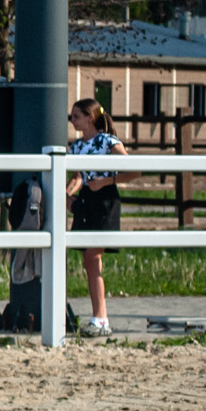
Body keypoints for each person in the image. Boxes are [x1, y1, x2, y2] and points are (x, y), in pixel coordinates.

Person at [68, 97, 132, 336]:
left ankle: (101, 318)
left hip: (105, 199)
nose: (72, 120)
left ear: (90, 117)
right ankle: (99, 316)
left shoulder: (108, 141)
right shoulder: (75, 146)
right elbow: (77, 178)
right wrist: (65, 196)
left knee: (92, 256)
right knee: (88, 260)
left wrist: (106, 181)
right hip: (85, 200)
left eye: (76, 116)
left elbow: (133, 169)